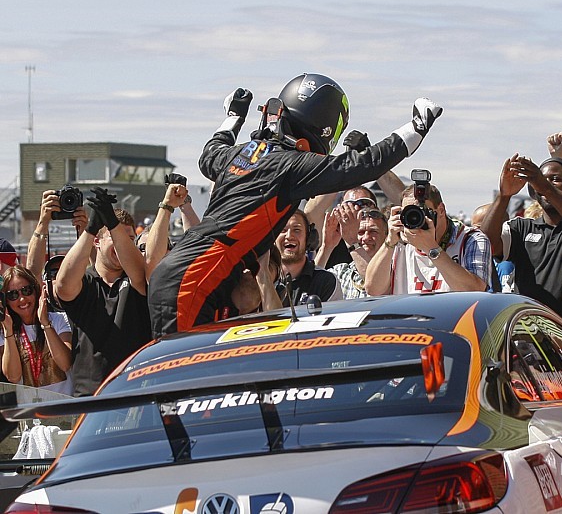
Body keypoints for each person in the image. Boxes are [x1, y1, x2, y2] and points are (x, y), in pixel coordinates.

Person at [148, 73, 442, 337]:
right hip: (196, 279)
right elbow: (359, 166)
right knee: (184, 386)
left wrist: (234, 116)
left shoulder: (243, 155)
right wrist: (415, 129)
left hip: (189, 273)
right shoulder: (290, 165)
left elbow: (210, 153)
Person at [480, 133, 562, 321]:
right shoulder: (521, 228)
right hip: (529, 332)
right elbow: (486, 244)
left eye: (555, 179)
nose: (544, 186)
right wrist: (504, 195)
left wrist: (544, 184)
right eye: (540, 181)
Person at [54, 188, 151, 396]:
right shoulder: (85, 282)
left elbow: (140, 273)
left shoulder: (136, 278)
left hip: (133, 391)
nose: (122, 242)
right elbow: (62, 286)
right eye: (114, 236)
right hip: (90, 396)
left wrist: (114, 226)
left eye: (130, 238)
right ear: (97, 242)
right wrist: (90, 230)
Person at [365, 182, 492, 294]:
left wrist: (431, 248)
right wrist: (389, 242)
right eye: (410, 214)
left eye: (422, 212)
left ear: (441, 210)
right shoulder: (399, 243)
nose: (416, 220)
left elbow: (475, 291)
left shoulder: (470, 239)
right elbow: (373, 289)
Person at [1, 266, 73, 395]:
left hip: (66, 408)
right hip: (31, 412)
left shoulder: (58, 319)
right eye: (13, 295)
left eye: (26, 290)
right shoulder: (6, 331)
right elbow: (13, 377)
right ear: (6, 301)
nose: (22, 299)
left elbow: (66, 364)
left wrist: (45, 324)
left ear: (36, 290)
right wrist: (8, 331)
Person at [274, 209, 342, 306]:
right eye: (283, 230)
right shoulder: (262, 279)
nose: (289, 236)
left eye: (296, 230)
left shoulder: (326, 281)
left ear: (309, 238)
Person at [318, 207, 388, 299]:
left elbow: (376, 285)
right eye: (360, 232)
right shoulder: (341, 271)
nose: (366, 237)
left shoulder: (395, 269)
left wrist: (353, 243)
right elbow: (311, 284)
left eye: (373, 231)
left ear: (386, 236)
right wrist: (326, 246)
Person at [26, 189, 88, 282]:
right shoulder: (44, 293)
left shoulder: (88, 292)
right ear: (46, 278)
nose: (61, 277)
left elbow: (96, 266)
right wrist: (43, 222)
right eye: (54, 273)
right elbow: (32, 272)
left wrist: (85, 230)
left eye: (68, 272)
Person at [472, 202, 515, 293]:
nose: (474, 234)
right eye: (472, 229)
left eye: (479, 229)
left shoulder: (507, 263)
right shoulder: (477, 258)